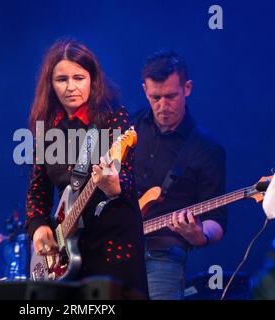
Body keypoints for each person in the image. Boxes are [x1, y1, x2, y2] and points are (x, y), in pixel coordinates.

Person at [25, 39, 148, 296]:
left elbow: (125, 181)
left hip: (113, 245)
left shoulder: (112, 117)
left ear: (93, 79)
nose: (71, 87)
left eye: (79, 77)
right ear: (50, 84)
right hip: (68, 252)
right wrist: (38, 226)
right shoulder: (46, 128)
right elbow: (38, 191)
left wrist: (113, 185)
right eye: (62, 79)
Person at [133, 49, 227, 300]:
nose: (162, 106)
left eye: (171, 96)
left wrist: (200, 235)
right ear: (144, 90)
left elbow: (217, 219)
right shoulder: (128, 128)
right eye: (155, 97)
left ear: (187, 88)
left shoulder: (207, 148)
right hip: (114, 249)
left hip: (163, 253)